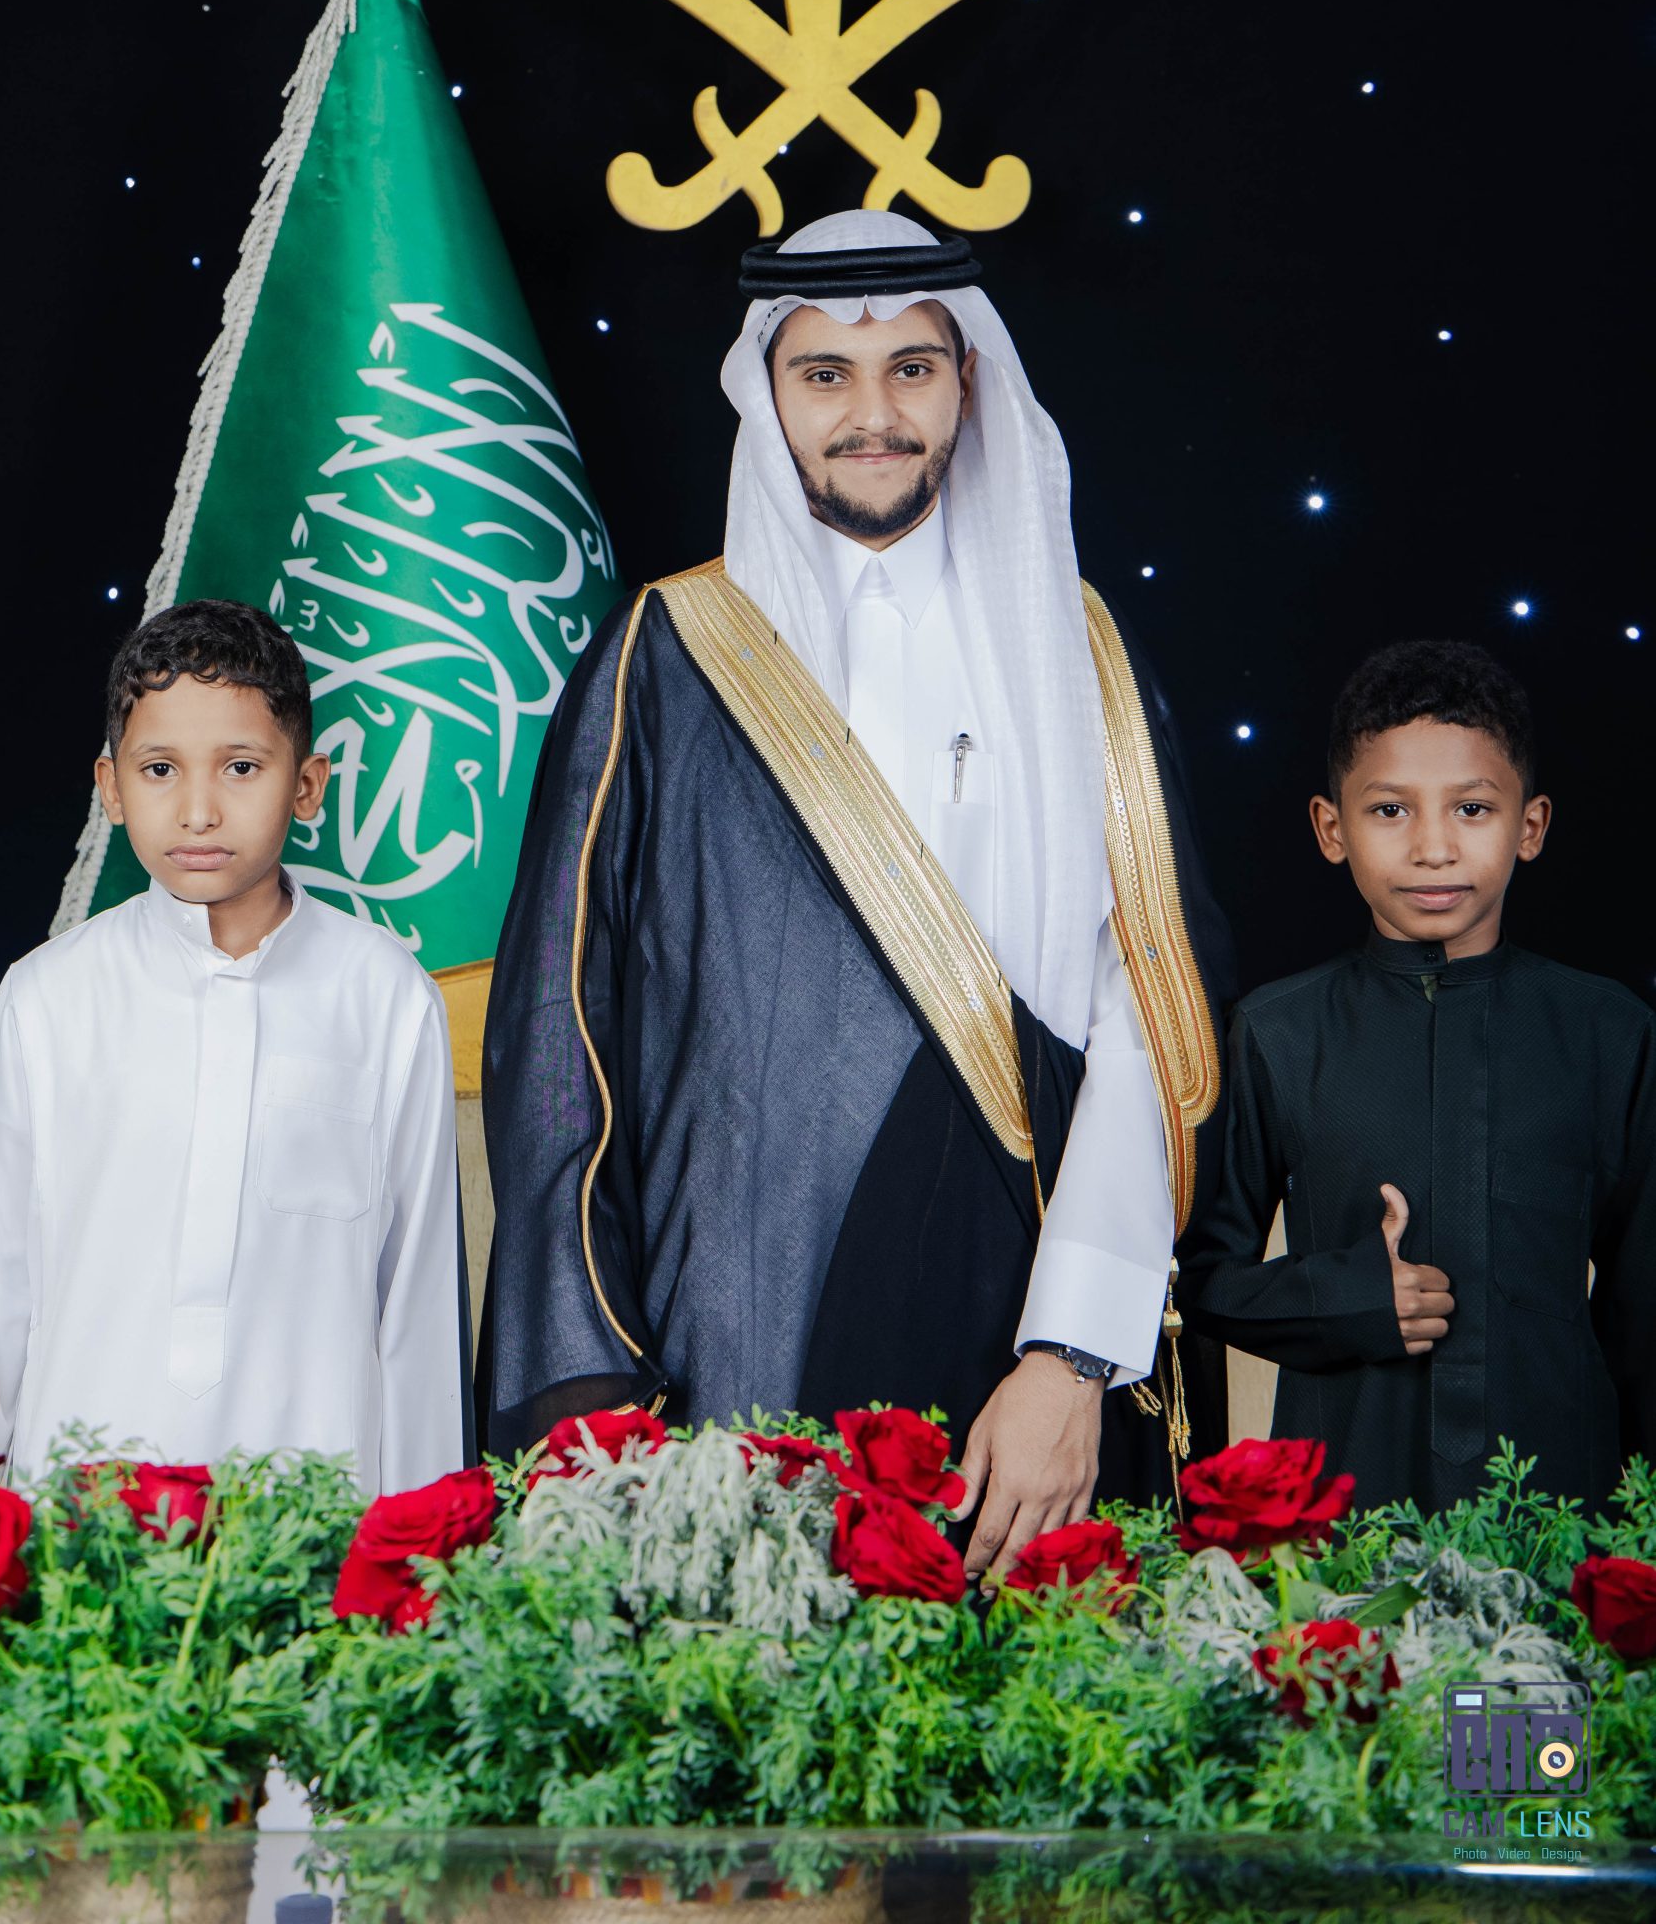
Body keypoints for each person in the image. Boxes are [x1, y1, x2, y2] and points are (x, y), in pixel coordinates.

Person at [478, 212, 1233, 1577]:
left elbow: (1149, 1021)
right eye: (824, 373)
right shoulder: (666, 656)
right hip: (735, 1351)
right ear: (767, 393)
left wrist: (1073, 1354)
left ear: (968, 384)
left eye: (911, 370)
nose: (870, 414)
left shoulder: (1078, 650)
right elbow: (556, 1045)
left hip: (1027, 1358)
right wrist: (601, 1393)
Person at [0, 599, 466, 1493]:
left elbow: (419, 1309)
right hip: (77, 1520)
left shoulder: (386, 998)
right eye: (159, 769)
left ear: (306, 785)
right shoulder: (46, 1000)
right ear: (112, 787)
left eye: (240, 767)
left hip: (316, 1516)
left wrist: (420, 1542)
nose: (197, 810)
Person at [1178, 639, 1655, 1513]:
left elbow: (1645, 1312)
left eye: (1471, 808)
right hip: (1342, 1512)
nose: (1433, 848)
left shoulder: (1609, 1033)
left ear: (1530, 826)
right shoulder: (1276, 1032)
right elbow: (1199, 1278)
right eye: (1390, 810)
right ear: (1331, 828)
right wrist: (1346, 1297)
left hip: (1563, 1512)